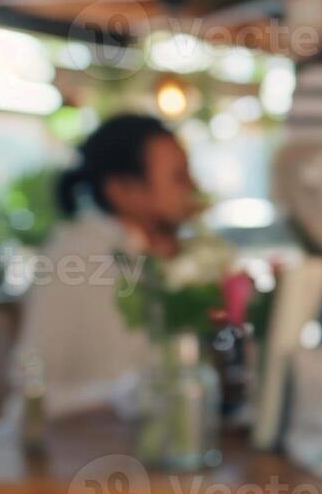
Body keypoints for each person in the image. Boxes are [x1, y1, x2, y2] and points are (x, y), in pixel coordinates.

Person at [13, 115, 201, 418]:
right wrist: (124, 394)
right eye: (178, 176)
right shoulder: (75, 259)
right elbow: (30, 390)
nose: (193, 187)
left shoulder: (163, 257)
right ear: (122, 190)